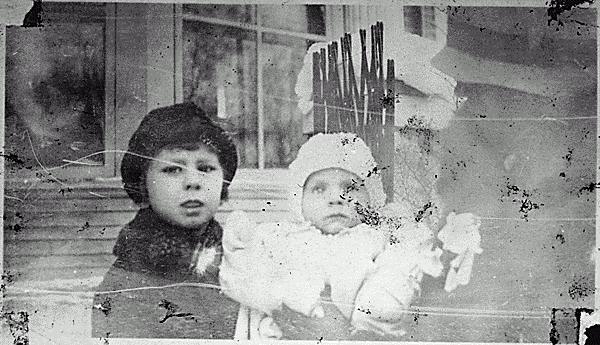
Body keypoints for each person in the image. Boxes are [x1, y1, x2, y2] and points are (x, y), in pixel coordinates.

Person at [218, 132, 449, 340]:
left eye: (350, 188)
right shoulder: (282, 238)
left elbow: (397, 280)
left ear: (371, 199)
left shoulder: (380, 239)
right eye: (319, 189)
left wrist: (372, 316)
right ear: (300, 201)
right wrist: (294, 297)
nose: (336, 198)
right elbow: (242, 277)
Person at [91, 103, 241, 339]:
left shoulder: (241, 259)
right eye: (173, 169)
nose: (193, 181)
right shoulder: (127, 281)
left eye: (206, 168)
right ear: (143, 183)